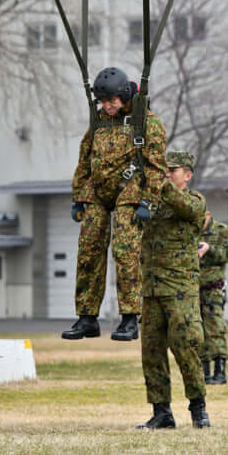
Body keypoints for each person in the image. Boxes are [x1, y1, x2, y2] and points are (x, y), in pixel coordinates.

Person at [62, 67, 167, 342]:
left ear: (123, 96)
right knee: (89, 249)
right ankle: (87, 317)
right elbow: (85, 159)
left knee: (125, 251)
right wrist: (79, 196)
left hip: (130, 192)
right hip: (97, 192)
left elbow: (156, 166)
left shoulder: (146, 122)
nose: (108, 107)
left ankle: (130, 318)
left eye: (112, 101)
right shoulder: (98, 121)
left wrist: (149, 200)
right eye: (104, 102)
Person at [138, 151, 210, 430]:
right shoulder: (154, 203)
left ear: (187, 175)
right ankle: (162, 412)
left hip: (180, 288)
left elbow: (185, 207)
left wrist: (157, 178)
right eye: (164, 170)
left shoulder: (194, 201)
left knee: (187, 348)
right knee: (152, 352)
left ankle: (198, 408)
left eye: (173, 170)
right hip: (152, 288)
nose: (167, 174)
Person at [198, 212, 228, 384]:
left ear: (207, 214)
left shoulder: (222, 231)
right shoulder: (189, 231)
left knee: (215, 329)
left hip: (213, 288)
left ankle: (220, 371)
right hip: (192, 289)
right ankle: (204, 372)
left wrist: (209, 249)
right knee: (197, 331)